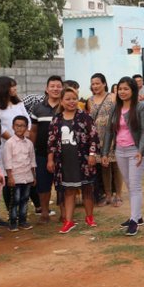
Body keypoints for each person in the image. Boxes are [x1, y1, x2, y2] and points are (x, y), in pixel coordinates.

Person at [47, 86, 100, 234]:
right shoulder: (56, 119)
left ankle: (89, 217)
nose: (71, 102)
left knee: (87, 189)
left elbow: (93, 137)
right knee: (69, 191)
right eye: (68, 99)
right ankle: (69, 221)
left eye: (74, 98)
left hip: (83, 160)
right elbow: (51, 141)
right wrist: (50, 160)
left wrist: (92, 154)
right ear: (62, 102)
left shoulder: (85, 117)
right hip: (64, 162)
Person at [102, 77, 144, 236]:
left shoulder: (141, 107)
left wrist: (141, 151)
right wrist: (105, 153)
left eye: (126, 89)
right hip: (120, 151)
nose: (122, 92)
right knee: (130, 185)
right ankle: (138, 216)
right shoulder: (115, 108)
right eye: (120, 89)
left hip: (135, 150)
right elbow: (109, 131)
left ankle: (134, 221)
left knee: (134, 186)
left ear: (133, 90)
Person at [0, 76, 31, 225]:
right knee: (9, 179)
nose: (15, 89)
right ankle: (11, 212)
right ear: (4, 88)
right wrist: (13, 139)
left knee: (23, 177)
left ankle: (22, 212)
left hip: (23, 145)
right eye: (12, 87)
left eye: (15, 86)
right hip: (7, 146)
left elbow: (26, 120)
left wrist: (24, 136)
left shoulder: (19, 104)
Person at [29, 75, 63, 224]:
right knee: (43, 185)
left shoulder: (66, 106)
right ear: (46, 89)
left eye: (58, 86)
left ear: (62, 88)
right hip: (42, 153)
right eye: (52, 86)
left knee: (63, 185)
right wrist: (31, 150)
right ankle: (44, 213)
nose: (55, 89)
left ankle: (65, 213)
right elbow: (34, 131)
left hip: (63, 154)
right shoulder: (38, 108)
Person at [86, 73, 122, 207]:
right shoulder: (90, 100)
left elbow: (119, 115)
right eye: (93, 84)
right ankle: (107, 195)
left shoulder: (113, 97)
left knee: (115, 164)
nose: (95, 86)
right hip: (97, 137)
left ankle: (118, 194)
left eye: (97, 83)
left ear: (104, 84)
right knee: (104, 165)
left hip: (112, 135)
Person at [3, 115, 37, 231]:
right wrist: (10, 177)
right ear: (13, 127)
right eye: (17, 126)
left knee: (25, 200)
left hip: (27, 177)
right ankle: (12, 222)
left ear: (27, 127)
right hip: (15, 177)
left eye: (22, 126)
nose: (20, 128)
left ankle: (23, 221)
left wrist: (33, 176)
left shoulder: (29, 143)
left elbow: (32, 161)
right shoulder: (9, 143)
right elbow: (7, 161)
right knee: (15, 200)